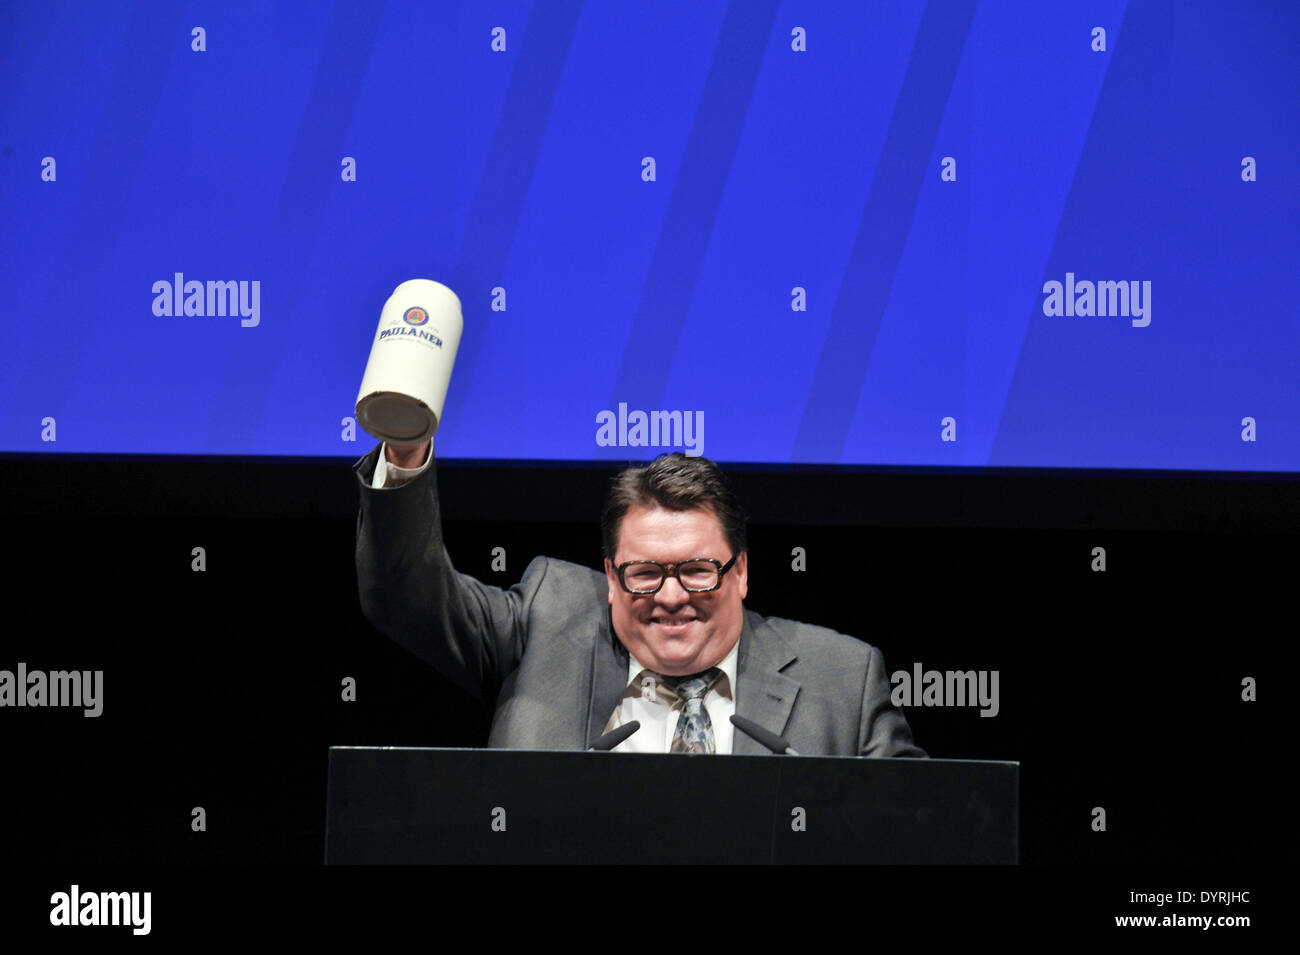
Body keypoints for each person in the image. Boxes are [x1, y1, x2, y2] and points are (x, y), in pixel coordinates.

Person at [354, 437, 925, 757]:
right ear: (609, 576)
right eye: (645, 573)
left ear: (741, 572)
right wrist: (404, 454)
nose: (671, 597)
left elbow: (918, 832)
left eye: (699, 571)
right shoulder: (546, 621)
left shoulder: (843, 678)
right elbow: (407, 595)